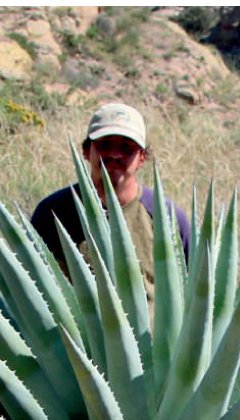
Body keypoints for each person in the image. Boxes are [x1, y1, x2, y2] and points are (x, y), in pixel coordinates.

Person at [31, 103, 190, 298]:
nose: (114, 154)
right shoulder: (53, 213)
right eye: (105, 145)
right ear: (87, 151)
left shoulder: (166, 218)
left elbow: (192, 291)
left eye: (127, 148)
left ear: (142, 158)